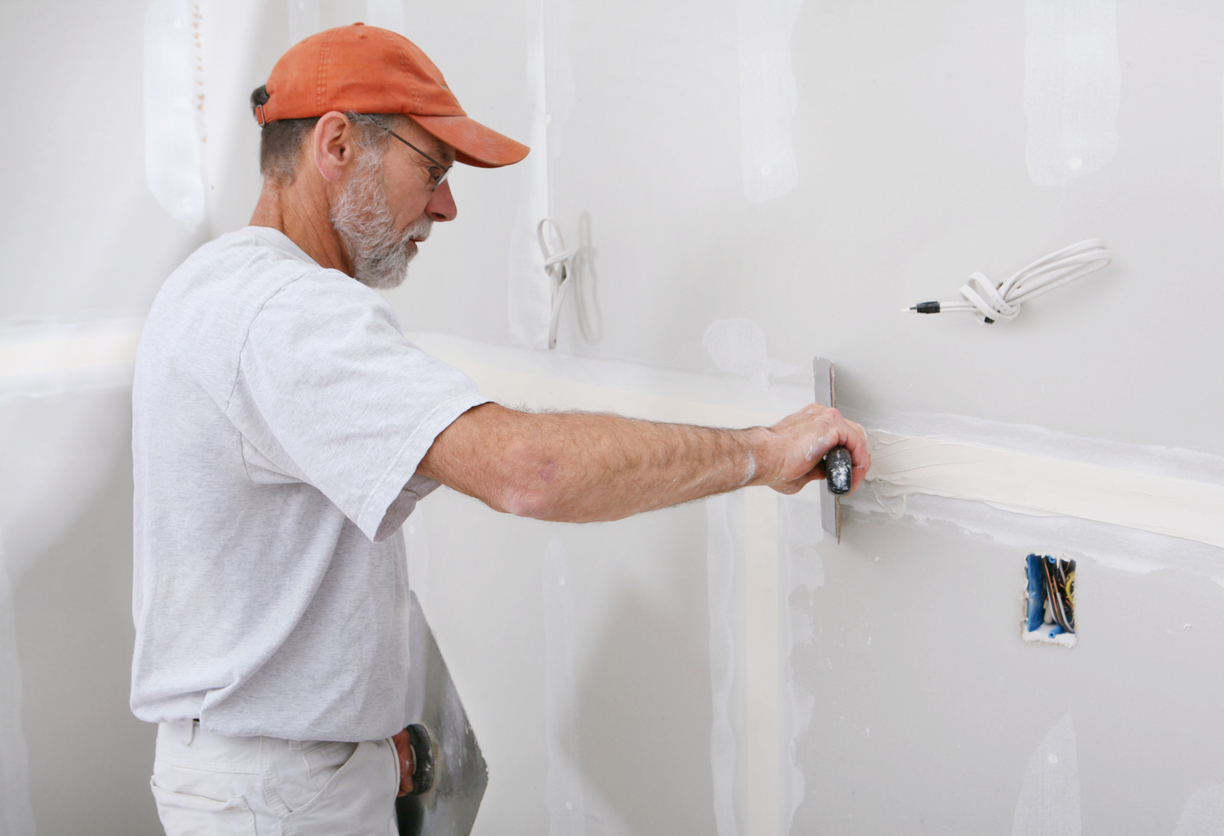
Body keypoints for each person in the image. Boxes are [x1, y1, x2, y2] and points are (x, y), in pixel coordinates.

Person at [129, 23, 869, 836]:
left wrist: (377, 753)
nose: (445, 206)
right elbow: (532, 472)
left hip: (269, 772)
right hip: (278, 800)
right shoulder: (291, 317)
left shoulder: (212, 284)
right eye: (433, 170)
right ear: (336, 144)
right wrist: (762, 453)